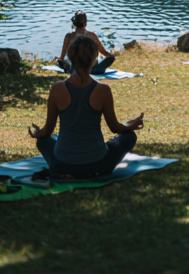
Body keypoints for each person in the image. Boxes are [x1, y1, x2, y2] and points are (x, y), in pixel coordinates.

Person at [29, 34, 144, 179]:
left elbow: (48, 130)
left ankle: (66, 171)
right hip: (98, 165)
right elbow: (115, 128)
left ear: (70, 57)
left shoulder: (56, 89)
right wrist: (130, 126)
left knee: (43, 142)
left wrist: (37, 134)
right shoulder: (103, 90)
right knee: (129, 137)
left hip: (61, 165)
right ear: (95, 58)